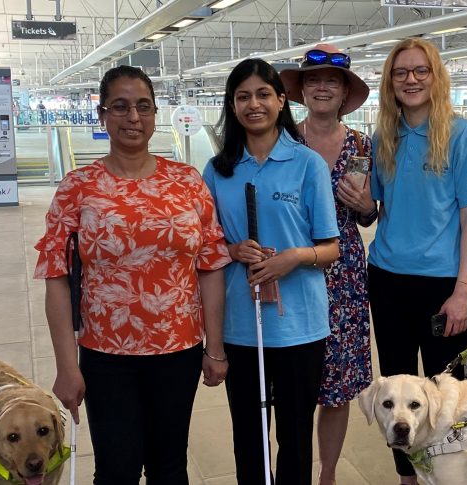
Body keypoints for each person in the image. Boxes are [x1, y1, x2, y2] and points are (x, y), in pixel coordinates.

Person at [35, 65, 230, 484]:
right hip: (107, 355)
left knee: (169, 465)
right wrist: (67, 367)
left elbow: (211, 266)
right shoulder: (78, 187)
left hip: (178, 348)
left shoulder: (187, 182)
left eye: (143, 106)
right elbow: (56, 278)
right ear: (102, 115)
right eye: (120, 107)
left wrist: (215, 347)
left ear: (156, 113)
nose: (133, 118)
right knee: (117, 468)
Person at [203, 58, 340, 485]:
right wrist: (232, 248)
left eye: (263, 94)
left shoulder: (307, 164)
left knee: (295, 435)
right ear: (232, 105)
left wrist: (291, 258)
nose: (254, 104)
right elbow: (205, 247)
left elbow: (331, 248)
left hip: (299, 326)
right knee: (248, 434)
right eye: (243, 96)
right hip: (241, 325)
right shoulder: (217, 170)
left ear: (282, 101)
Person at [364, 38, 467, 485]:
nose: (411, 79)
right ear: (390, 81)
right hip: (386, 279)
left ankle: (450, 474)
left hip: (441, 282)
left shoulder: (462, 136)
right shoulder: (384, 136)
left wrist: (462, 292)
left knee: (445, 393)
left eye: (421, 71)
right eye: (401, 72)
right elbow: (374, 207)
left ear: (435, 77)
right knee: (397, 394)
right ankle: (407, 477)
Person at [279, 43, 374, 485]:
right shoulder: (284, 141)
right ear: (301, 90)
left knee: (337, 388)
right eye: (313, 80)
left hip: (346, 273)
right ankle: (291, 467)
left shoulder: (360, 144)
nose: (321, 88)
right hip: (294, 268)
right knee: (294, 384)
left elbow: (370, 213)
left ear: (343, 92)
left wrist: (367, 205)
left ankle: (328, 474)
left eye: (330, 82)